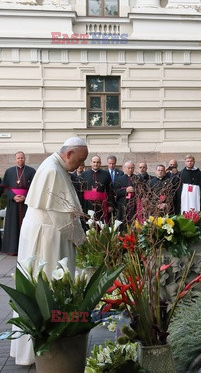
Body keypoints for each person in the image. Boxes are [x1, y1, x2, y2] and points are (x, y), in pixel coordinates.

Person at [11, 137, 88, 366]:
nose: (80, 166)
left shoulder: (54, 165)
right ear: (69, 153)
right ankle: (46, 349)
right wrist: (83, 242)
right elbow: (63, 218)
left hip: (44, 231)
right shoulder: (54, 170)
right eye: (80, 160)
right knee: (48, 283)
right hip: (47, 237)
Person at [1, 151, 36, 255]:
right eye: (18, 158)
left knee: (27, 226)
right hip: (13, 203)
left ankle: (27, 250)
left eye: (22, 158)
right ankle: (12, 250)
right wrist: (13, 197)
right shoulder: (9, 171)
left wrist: (25, 197)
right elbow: (5, 188)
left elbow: (34, 188)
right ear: (15, 159)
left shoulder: (31, 171)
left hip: (26, 204)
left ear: (25, 158)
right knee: (13, 226)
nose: (20, 160)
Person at [177, 155, 201, 246]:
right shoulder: (181, 174)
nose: (189, 163)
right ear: (185, 162)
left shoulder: (199, 173)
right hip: (185, 202)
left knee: (198, 217)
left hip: (197, 201)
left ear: (194, 161)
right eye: (187, 161)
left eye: (191, 161)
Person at [82, 156, 114, 222]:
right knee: (88, 222)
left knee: (100, 222)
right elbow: (81, 191)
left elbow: (110, 190)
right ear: (90, 163)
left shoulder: (106, 174)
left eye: (97, 162)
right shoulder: (84, 174)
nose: (95, 164)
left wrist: (110, 205)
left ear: (100, 163)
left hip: (101, 204)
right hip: (88, 204)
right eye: (94, 162)